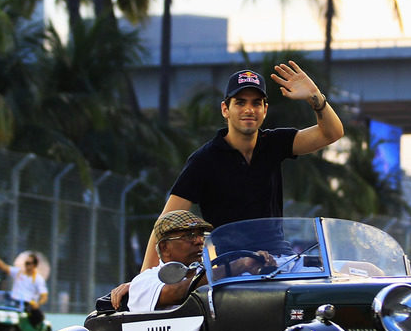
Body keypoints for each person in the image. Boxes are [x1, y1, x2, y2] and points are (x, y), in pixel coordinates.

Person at [111, 61, 342, 307]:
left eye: (255, 103)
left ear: (265, 109)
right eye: (240, 102)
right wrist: (144, 279)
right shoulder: (204, 160)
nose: (248, 109)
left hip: (282, 260)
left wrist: (315, 98)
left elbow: (332, 133)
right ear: (225, 109)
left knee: (354, 271)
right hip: (231, 267)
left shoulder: (274, 143)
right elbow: (164, 224)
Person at [127, 210, 274, 312]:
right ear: (165, 247)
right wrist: (238, 266)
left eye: (201, 235)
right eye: (189, 235)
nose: (199, 241)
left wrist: (260, 271)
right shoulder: (144, 281)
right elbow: (177, 292)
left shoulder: (212, 274)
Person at [0, 248, 48, 325]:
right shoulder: (18, 272)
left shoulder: (38, 279)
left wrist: (37, 304)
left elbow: (44, 296)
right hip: (14, 302)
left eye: (29, 263)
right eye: (26, 263)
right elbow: (3, 267)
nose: (26, 265)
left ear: (34, 265)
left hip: (28, 304)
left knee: (39, 317)